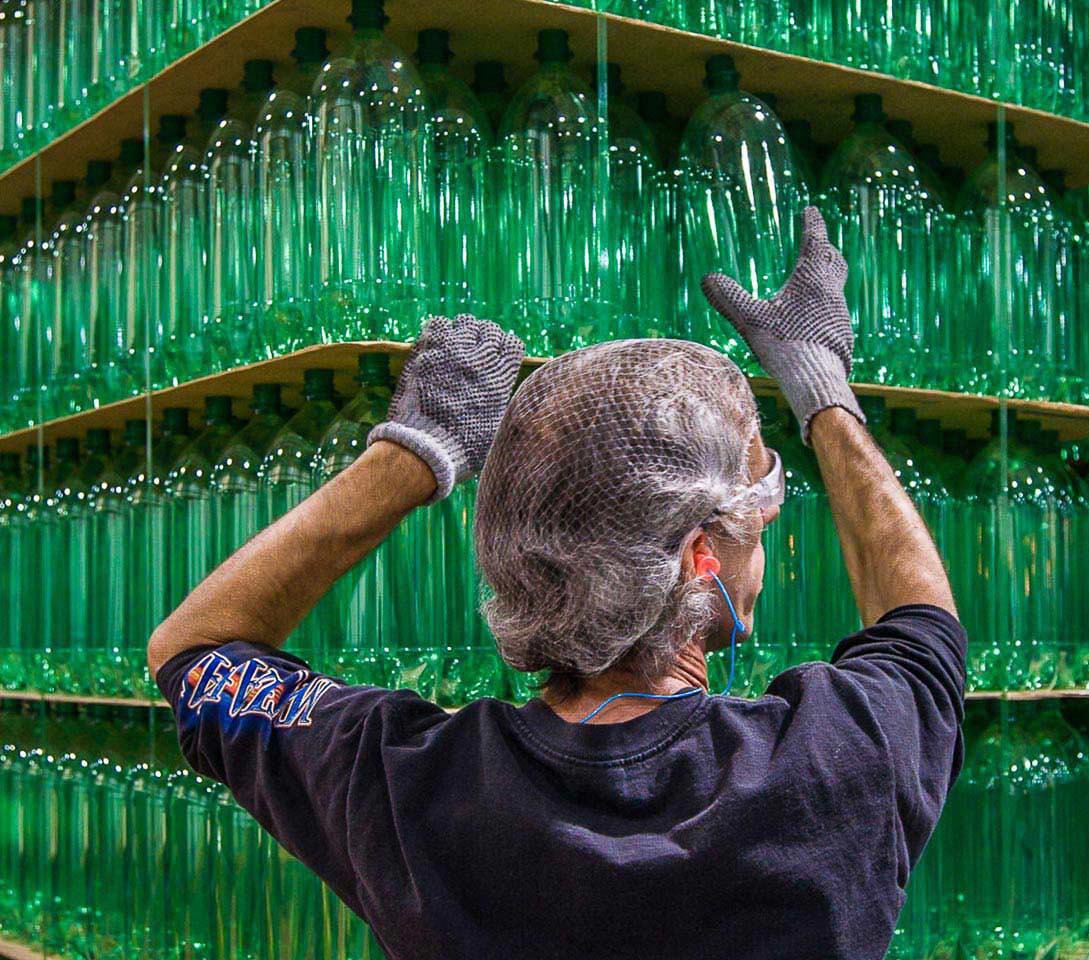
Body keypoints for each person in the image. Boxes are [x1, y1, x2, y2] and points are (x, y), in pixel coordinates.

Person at [149, 208, 965, 960]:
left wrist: (410, 457)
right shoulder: (837, 757)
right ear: (697, 557)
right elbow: (920, 621)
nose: (769, 534)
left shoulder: (405, 785)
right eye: (761, 506)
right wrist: (824, 394)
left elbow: (190, 649)